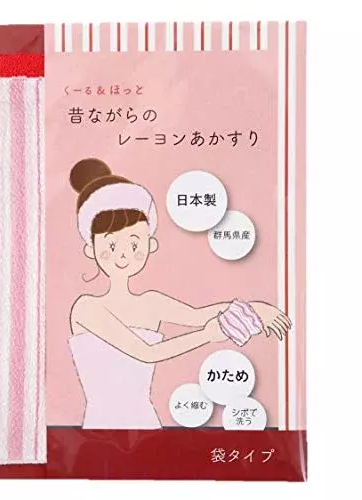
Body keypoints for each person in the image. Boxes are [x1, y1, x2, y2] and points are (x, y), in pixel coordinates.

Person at [67, 158, 291, 429]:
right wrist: (207, 335)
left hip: (147, 423)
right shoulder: (87, 308)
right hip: (103, 425)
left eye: (134, 243)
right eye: (111, 245)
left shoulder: (151, 302)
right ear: (90, 249)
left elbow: (198, 315)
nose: (123, 254)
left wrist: (256, 309)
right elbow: (146, 352)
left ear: (151, 245)